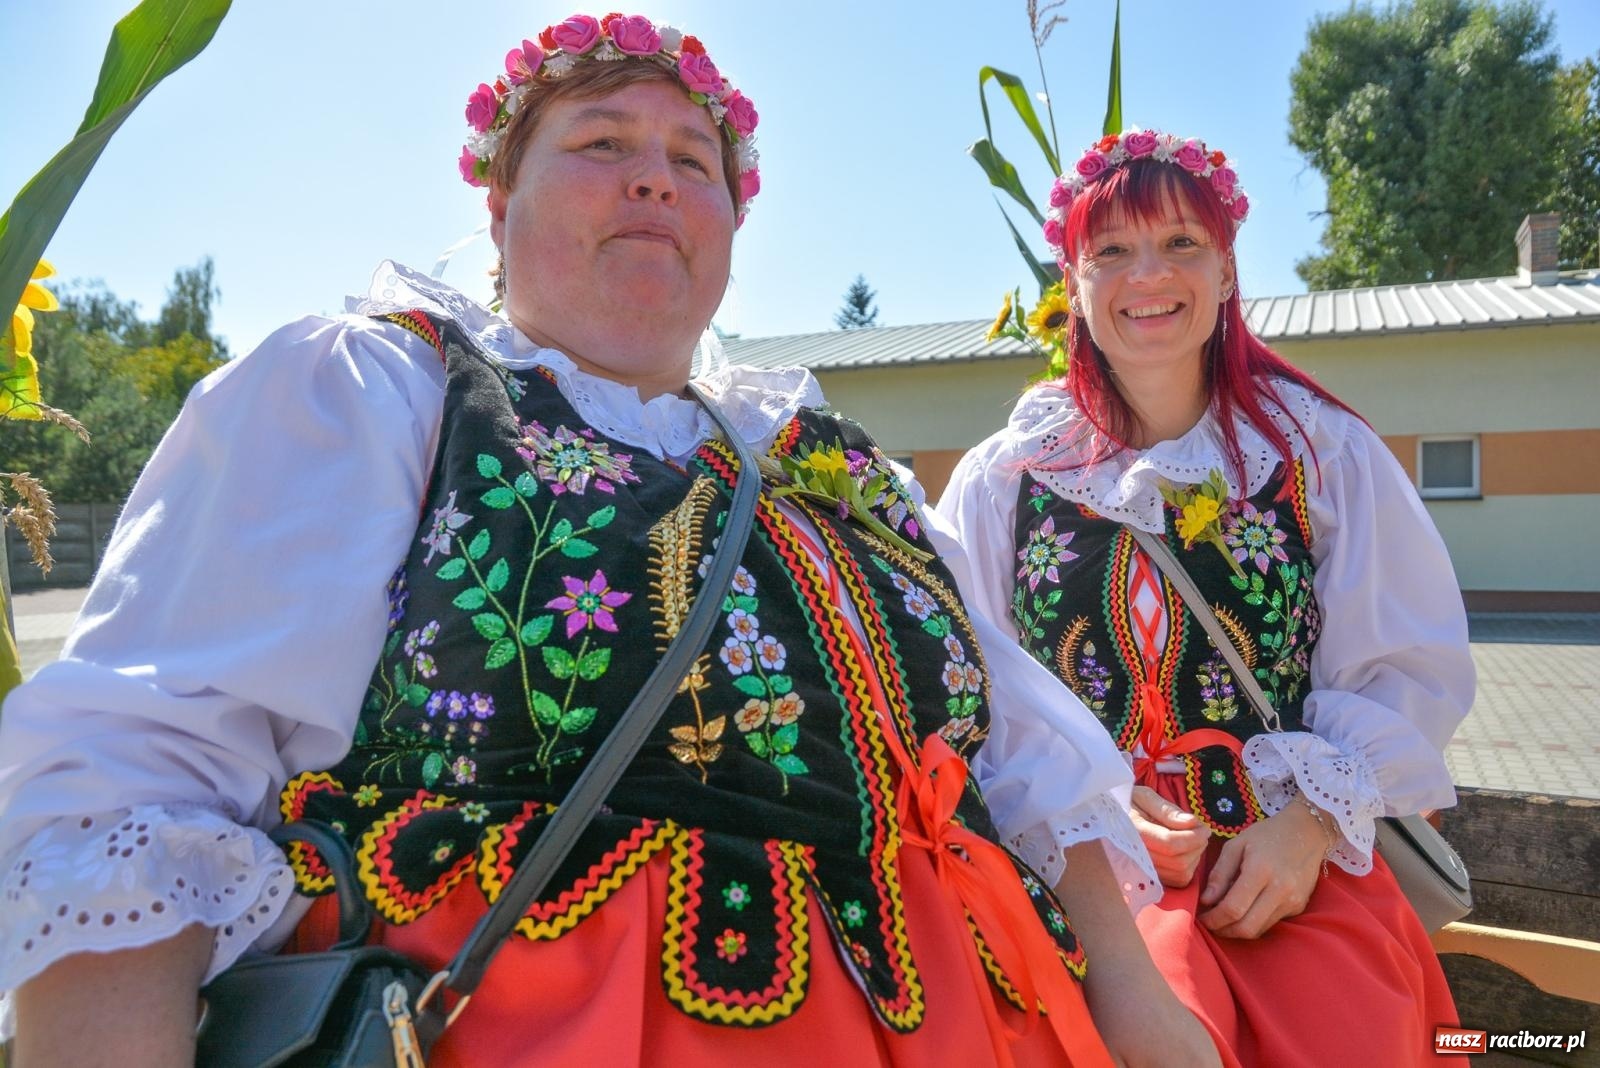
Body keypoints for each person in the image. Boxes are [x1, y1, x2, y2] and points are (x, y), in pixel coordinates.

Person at [0, 20, 1218, 1067]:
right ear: (498, 200)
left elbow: (1023, 761)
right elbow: (140, 778)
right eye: (600, 145)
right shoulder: (378, 391)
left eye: (694, 161)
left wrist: (1137, 999)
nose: (654, 179)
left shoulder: (842, 474)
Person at [936, 127, 1473, 1067]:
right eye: (1112, 251)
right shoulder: (1003, 481)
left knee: (1350, 1031)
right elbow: (964, 693)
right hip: (1087, 879)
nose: (1149, 274)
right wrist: (1085, 813)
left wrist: (1308, 819)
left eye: (1182, 243)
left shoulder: (1320, 454)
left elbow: (1407, 671)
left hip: (1285, 865)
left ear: (1226, 273)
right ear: (1076, 285)